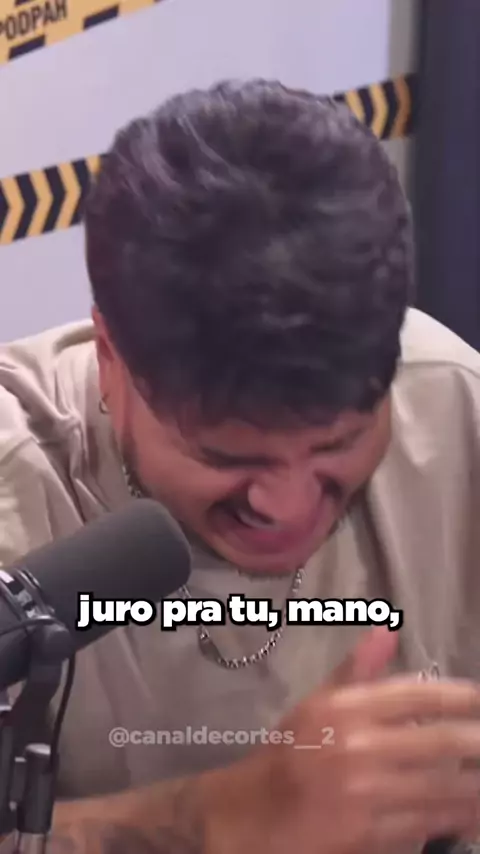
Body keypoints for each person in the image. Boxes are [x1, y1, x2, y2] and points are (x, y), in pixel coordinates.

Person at [1, 78, 480, 854]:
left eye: (337, 446)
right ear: (111, 358)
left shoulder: (452, 405)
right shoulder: (15, 483)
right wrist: (224, 818)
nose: (289, 506)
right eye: (224, 457)